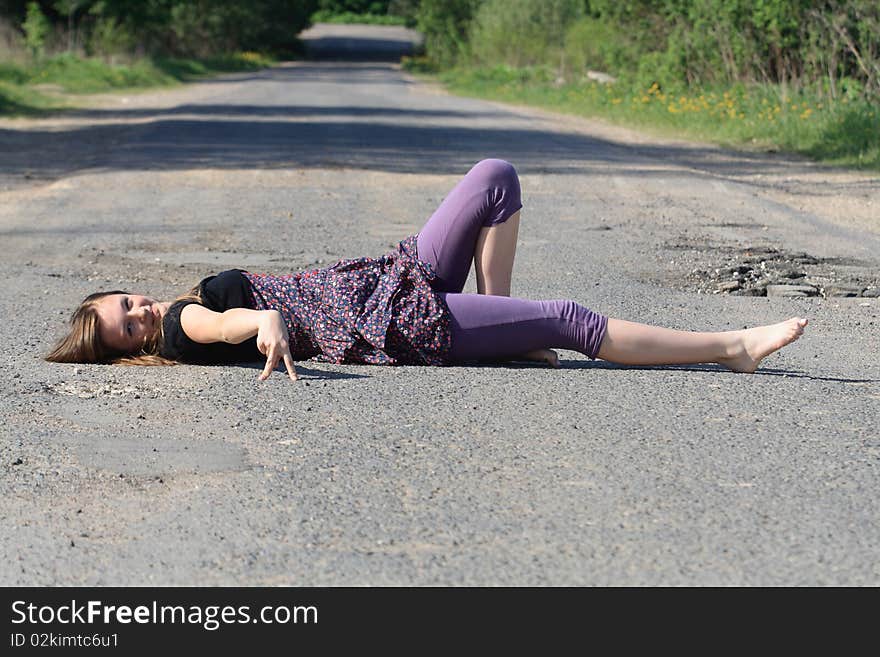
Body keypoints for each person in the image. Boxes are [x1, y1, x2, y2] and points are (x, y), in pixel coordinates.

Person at [45, 159, 808, 381]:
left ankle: (505, 329)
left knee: (494, 178)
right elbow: (225, 321)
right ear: (132, 346)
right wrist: (264, 321)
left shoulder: (171, 312)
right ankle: (728, 347)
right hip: (399, 322)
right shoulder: (186, 324)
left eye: (130, 299)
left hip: (393, 275)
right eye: (130, 321)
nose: (143, 307)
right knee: (571, 320)